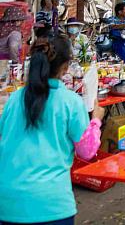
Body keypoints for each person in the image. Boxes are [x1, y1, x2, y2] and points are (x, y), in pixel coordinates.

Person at [0, 34, 105, 225]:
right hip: (51, 205)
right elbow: (87, 151)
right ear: (65, 67)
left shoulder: (14, 99)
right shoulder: (71, 102)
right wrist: (96, 120)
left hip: (8, 203)